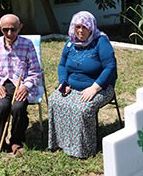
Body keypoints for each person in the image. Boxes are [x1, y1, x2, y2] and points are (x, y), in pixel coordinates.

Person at [48, 11, 117, 158]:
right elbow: (62, 65)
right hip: (71, 86)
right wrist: (63, 82)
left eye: (84, 27)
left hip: (100, 87)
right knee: (55, 100)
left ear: (91, 27)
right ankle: (62, 142)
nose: (80, 31)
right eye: (77, 27)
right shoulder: (70, 42)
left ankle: (84, 149)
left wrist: (95, 88)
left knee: (82, 109)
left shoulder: (101, 42)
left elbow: (110, 67)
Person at [0, 14, 42, 158]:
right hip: (4, 84)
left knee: (18, 108)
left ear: (20, 27)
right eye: (5, 30)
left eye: (13, 29)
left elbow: (35, 71)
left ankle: (17, 140)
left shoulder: (27, 44)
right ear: (0, 29)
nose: (10, 33)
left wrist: (26, 87)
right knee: (2, 107)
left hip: (22, 84)